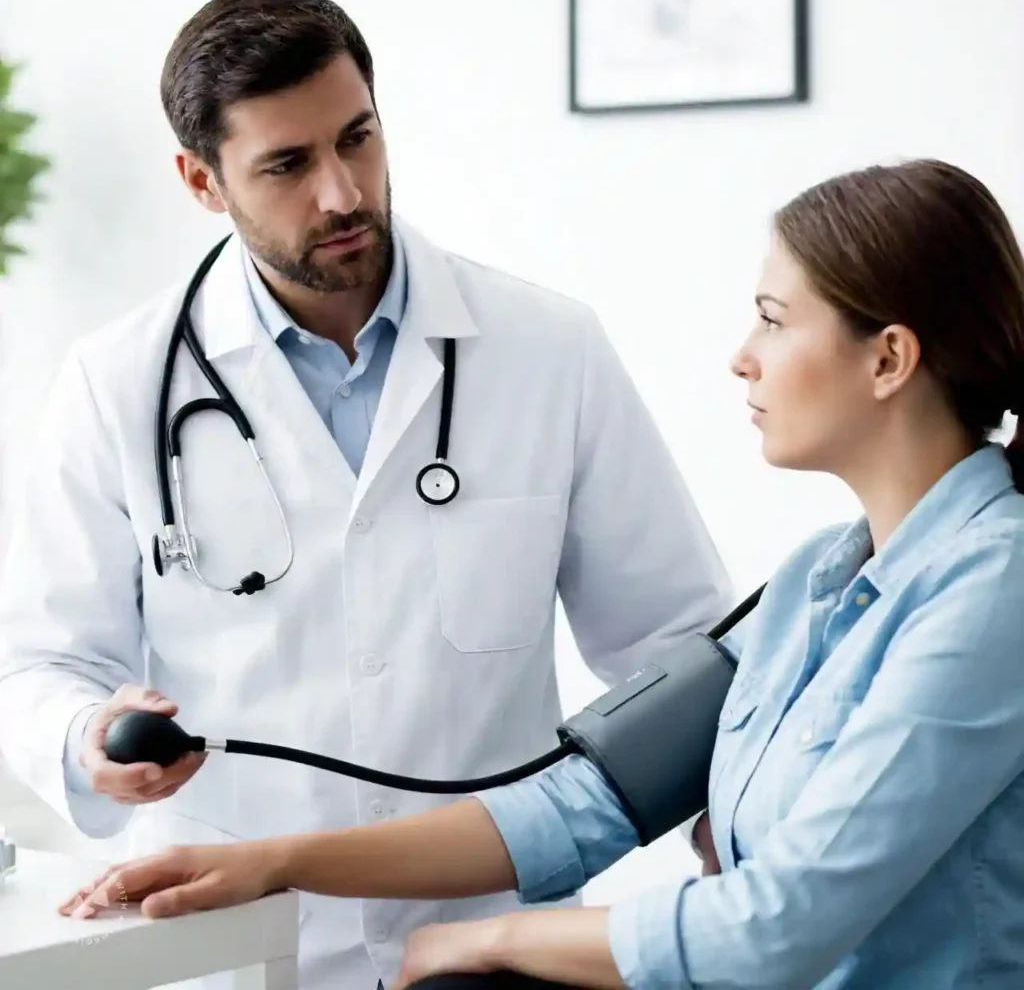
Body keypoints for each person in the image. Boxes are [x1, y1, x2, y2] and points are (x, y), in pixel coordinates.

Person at [58, 157, 1024, 990]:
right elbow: (591, 799)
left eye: (773, 320)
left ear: (890, 358)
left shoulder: (994, 592)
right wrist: (278, 863)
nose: (741, 358)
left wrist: (489, 936)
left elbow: (775, 925)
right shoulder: (817, 579)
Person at [0, 0, 732, 990]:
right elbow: (35, 665)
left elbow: (674, 644)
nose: (342, 194)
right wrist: (87, 737)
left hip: (493, 944)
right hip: (238, 946)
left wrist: (725, 811)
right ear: (202, 182)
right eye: (287, 165)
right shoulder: (117, 383)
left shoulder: (546, 350)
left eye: (358, 139)